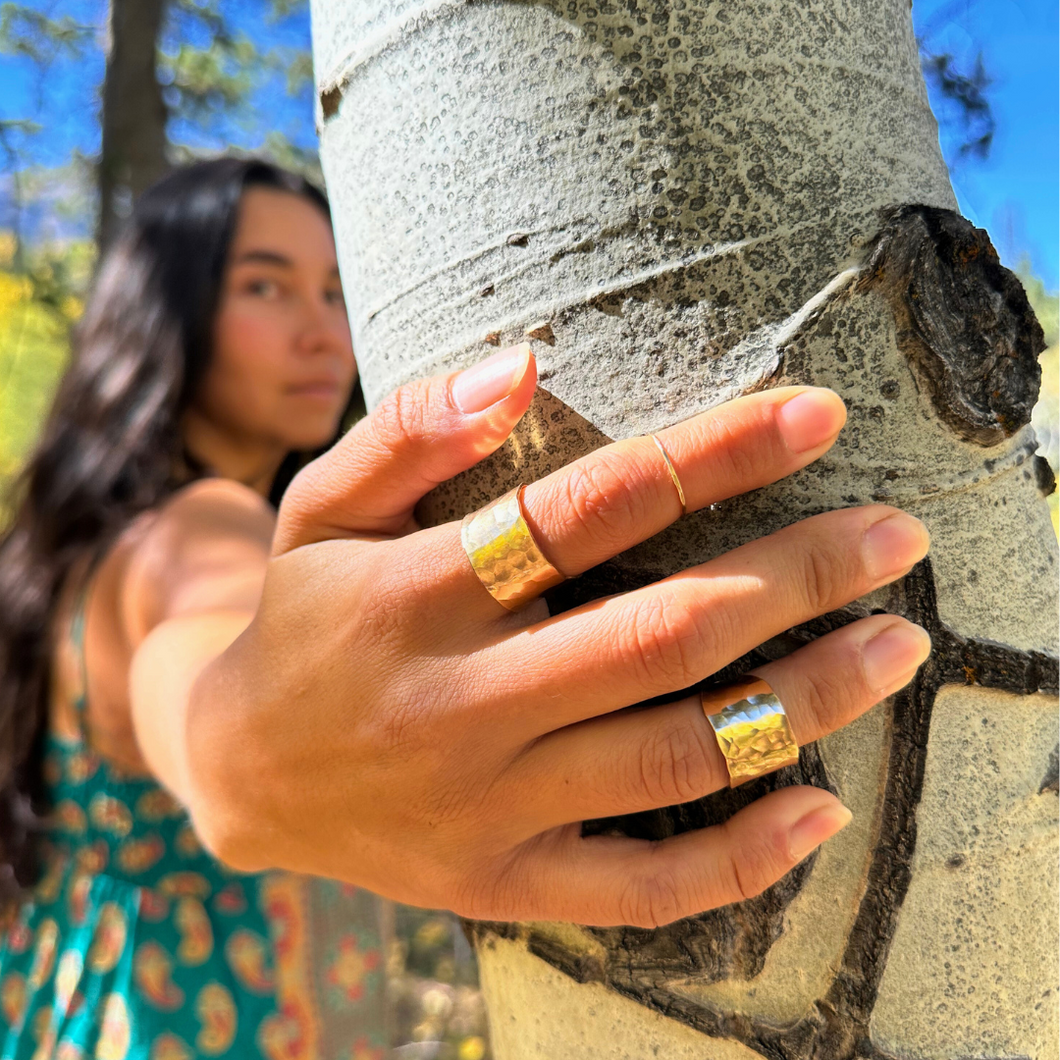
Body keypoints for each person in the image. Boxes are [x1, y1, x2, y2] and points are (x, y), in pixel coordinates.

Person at [0, 157, 932, 1055]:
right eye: (265, 286)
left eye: (334, 291)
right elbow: (201, 668)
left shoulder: (90, 548)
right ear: (159, 316)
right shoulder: (191, 528)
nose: (324, 330)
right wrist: (242, 746)